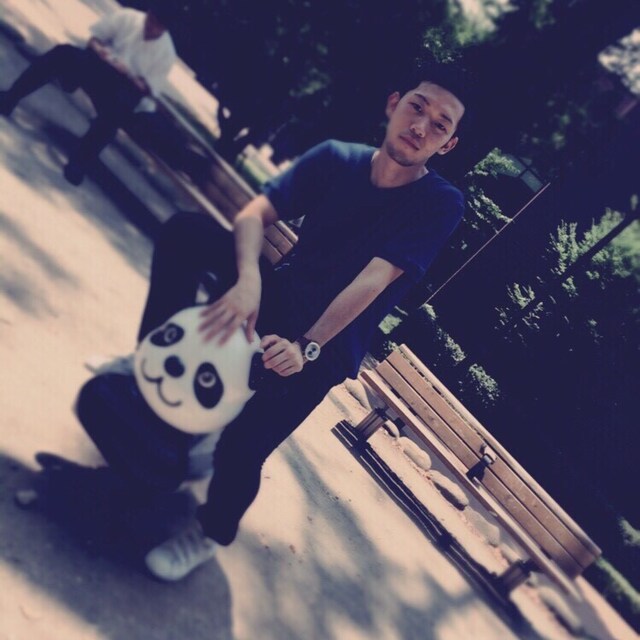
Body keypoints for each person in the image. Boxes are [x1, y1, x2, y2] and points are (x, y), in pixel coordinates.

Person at [88, 65, 470, 581]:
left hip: (329, 343)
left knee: (242, 446)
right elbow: (254, 215)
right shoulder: (337, 159)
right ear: (394, 103)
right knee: (188, 235)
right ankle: (148, 361)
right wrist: (248, 279)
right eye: (417, 107)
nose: (421, 126)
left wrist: (307, 346)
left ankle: (210, 532)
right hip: (278, 296)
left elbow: (374, 279)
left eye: (440, 125)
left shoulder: (441, 203)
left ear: (447, 145)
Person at [0, 4, 177, 185]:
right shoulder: (128, 18)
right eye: (151, 20)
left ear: (165, 29)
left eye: (158, 26)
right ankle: (10, 97)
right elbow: (95, 39)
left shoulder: (166, 52)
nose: (151, 27)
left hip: (125, 87)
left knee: (116, 113)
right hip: (100, 66)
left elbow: (148, 88)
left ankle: (79, 163)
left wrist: (128, 73)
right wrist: (102, 52)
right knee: (63, 53)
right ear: (149, 13)